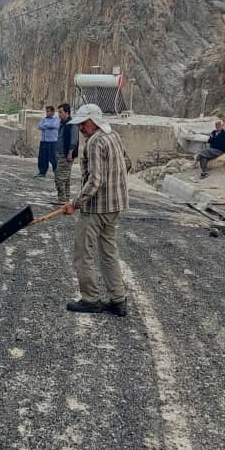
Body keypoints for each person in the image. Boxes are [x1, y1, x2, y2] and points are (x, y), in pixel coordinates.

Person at [62, 104, 130, 317]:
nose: (80, 128)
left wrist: (76, 202)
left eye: (83, 123)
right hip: (115, 206)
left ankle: (90, 299)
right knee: (109, 251)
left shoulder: (95, 142)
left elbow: (95, 180)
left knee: (83, 253)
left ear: (93, 121)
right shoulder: (114, 136)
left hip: (96, 208)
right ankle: (118, 300)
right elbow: (127, 163)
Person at [55, 103, 78, 204]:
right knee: (66, 177)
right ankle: (66, 198)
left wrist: (70, 153)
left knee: (60, 177)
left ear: (67, 113)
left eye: (61, 112)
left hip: (66, 154)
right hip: (61, 153)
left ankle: (62, 198)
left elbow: (74, 140)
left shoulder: (72, 124)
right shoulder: (63, 123)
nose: (59, 114)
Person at [36, 105, 60, 178]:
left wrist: (45, 125)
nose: (47, 113)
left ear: (52, 112)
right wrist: (47, 125)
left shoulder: (56, 119)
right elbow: (39, 126)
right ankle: (42, 172)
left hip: (52, 142)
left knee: (54, 158)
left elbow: (54, 125)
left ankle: (57, 173)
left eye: (48, 111)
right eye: (46, 111)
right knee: (42, 157)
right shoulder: (44, 119)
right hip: (44, 141)